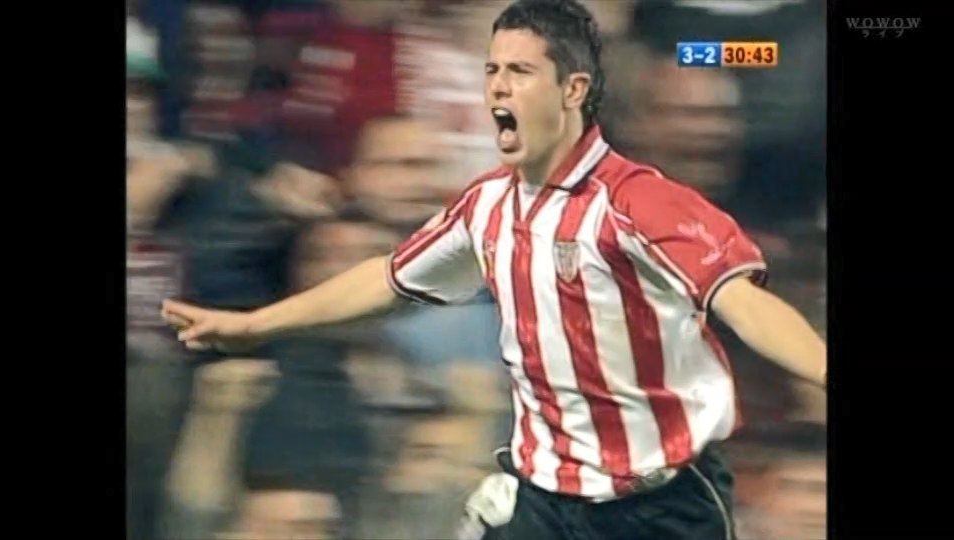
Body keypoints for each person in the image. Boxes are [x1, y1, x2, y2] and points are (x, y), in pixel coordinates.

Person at [161, 1, 827, 539]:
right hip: (548, 503)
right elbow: (387, 280)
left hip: (661, 507)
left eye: (520, 71)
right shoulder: (485, 207)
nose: (498, 87)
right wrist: (258, 324)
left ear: (573, 90)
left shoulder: (642, 203)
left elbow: (745, 305)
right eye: (492, 70)